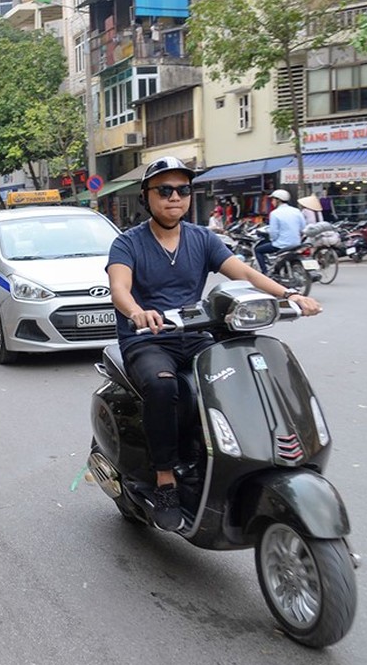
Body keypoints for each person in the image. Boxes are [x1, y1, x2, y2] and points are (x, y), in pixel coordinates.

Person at [107, 157, 321, 531]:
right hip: (148, 338)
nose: (175, 197)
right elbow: (119, 289)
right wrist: (138, 312)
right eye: (165, 190)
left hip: (194, 333)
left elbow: (246, 273)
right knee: (162, 385)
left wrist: (291, 294)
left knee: (242, 369)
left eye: (183, 190)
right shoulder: (128, 243)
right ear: (147, 196)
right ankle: (165, 481)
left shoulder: (202, 238)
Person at [254, 189, 306, 272]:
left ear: (278, 200)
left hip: (282, 244)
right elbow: (303, 228)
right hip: (296, 243)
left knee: (258, 250)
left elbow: (274, 233)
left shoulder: (275, 213)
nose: (272, 202)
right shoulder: (296, 211)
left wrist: (272, 240)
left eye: (273, 200)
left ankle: (265, 273)